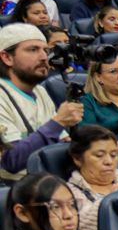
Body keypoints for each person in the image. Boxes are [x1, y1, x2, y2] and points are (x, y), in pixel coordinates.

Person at [0, 24, 84, 179]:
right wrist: (58, 122)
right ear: (7, 57)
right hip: (15, 188)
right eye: (33, 50)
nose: (44, 57)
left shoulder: (40, 91)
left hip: (50, 181)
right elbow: (11, 162)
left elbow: (61, 141)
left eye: (45, 50)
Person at [64, 124, 118, 230]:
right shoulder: (68, 194)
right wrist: (112, 199)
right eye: (99, 155)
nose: (109, 161)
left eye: (113, 155)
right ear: (77, 159)